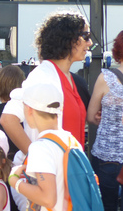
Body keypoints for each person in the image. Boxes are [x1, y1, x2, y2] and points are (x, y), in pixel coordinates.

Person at [0, 11, 90, 210]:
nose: (90, 43)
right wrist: (38, 159)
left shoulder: (65, 76)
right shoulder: (43, 76)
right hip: (49, 182)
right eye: (86, 36)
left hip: (65, 178)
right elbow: (8, 119)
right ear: (68, 39)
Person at [87, 29, 123, 211]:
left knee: (105, 205)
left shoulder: (106, 78)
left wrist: (103, 117)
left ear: (117, 50)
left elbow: (91, 116)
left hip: (106, 156)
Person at [8, 83, 77, 211]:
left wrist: (15, 182)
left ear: (29, 110)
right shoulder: (71, 140)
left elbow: (48, 199)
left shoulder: (40, 148)